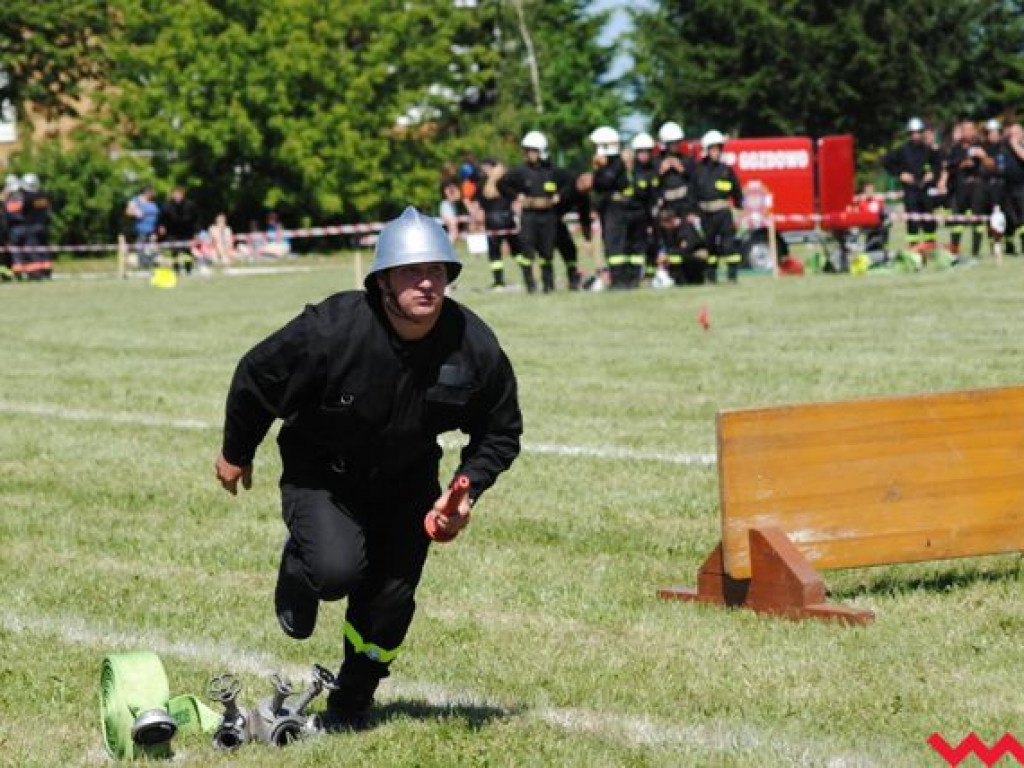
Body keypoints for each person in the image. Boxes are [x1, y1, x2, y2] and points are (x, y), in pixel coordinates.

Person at [214, 207, 522, 730]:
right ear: (381, 280)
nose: (427, 283)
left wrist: (466, 490)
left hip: (408, 481)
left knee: (391, 600)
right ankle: (300, 565)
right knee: (337, 572)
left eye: (438, 272)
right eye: (411, 272)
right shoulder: (331, 329)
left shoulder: (473, 342)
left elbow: (500, 431)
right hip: (322, 473)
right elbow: (257, 376)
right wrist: (236, 451)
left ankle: (353, 698)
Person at [497, 131, 572, 293]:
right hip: (529, 215)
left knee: (547, 251)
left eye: (532, 150)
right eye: (527, 150)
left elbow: (570, 183)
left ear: (541, 151)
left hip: (548, 216)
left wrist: (560, 196)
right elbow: (501, 184)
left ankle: (548, 285)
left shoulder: (553, 171)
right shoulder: (520, 171)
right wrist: (516, 196)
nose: (529, 154)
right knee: (527, 251)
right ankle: (530, 285)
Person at [590, 125, 644, 289]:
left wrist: (598, 169)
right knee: (621, 245)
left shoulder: (615, 164)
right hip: (618, 208)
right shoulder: (616, 164)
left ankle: (622, 280)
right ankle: (626, 279)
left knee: (616, 245)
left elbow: (603, 183)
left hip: (617, 210)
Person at [883, 118, 942, 252]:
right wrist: (900, 174)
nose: (915, 135)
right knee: (913, 222)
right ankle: (913, 251)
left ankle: (930, 249)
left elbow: (937, 165)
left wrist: (932, 174)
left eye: (918, 132)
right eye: (912, 133)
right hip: (910, 191)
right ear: (909, 134)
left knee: (929, 222)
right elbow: (886, 162)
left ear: (922, 133)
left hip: (926, 190)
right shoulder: (902, 150)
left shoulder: (928, 150)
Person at [657, 121, 703, 284]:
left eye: (677, 142)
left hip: (685, 209)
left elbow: (696, 183)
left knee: (689, 242)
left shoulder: (688, 162)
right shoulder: (657, 163)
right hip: (667, 211)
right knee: (670, 246)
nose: (675, 146)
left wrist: (682, 169)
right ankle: (675, 277)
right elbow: (653, 188)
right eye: (671, 143)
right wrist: (660, 172)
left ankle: (691, 275)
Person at [695, 130, 744, 283]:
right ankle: (711, 277)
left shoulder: (726, 170)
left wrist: (740, 208)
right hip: (705, 213)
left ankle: (732, 277)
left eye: (718, 149)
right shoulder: (698, 170)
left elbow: (737, 191)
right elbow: (692, 192)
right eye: (713, 149)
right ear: (706, 150)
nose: (716, 152)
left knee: (729, 245)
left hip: (723, 213)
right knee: (709, 246)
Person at [944, 120, 990, 261]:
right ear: (961, 132)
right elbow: (949, 167)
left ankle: (975, 252)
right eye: (965, 129)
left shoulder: (981, 147)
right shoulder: (955, 148)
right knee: (957, 222)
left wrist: (983, 157)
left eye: (971, 129)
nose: (968, 132)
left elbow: (991, 166)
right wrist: (963, 164)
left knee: (977, 221)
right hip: (960, 189)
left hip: (977, 189)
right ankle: (954, 252)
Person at [478, 159, 522, 290]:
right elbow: (515, 197)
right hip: (507, 219)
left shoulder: (483, 183)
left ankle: (498, 282)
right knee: (517, 251)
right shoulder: (505, 181)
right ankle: (528, 275)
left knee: (495, 254)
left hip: (491, 220)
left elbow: (480, 203)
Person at [553, 171, 593, 291]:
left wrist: (588, 240)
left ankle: (573, 280)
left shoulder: (584, 197)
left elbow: (585, 218)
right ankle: (546, 281)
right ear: (580, 180)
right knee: (545, 252)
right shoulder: (565, 179)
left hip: (557, 221)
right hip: (544, 218)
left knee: (570, 250)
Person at [630, 133, 661, 281]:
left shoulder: (655, 169)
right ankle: (634, 274)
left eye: (647, 151)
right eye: (641, 151)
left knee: (653, 243)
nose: (644, 155)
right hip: (636, 213)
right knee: (636, 244)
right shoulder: (632, 171)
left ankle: (650, 273)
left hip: (653, 213)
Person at [19, 173, 53, 280]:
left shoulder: (27, 197)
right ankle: (47, 272)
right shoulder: (44, 195)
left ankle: (36, 274)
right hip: (43, 226)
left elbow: (22, 210)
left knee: (32, 250)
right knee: (44, 249)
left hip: (31, 227)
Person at [160, 185, 200, 274]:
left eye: (179, 194)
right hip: (172, 233)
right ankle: (176, 270)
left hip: (187, 232)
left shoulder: (190, 205)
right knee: (174, 251)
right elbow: (162, 219)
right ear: (173, 195)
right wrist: (161, 227)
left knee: (187, 251)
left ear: (183, 194)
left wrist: (196, 233)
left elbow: (196, 220)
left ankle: (188, 269)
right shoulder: (167, 205)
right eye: (176, 194)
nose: (178, 196)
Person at [126, 186, 161, 268]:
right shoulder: (136, 200)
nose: (153, 195)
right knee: (141, 249)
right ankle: (143, 265)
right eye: (152, 193)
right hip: (141, 230)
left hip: (153, 230)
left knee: (153, 249)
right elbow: (128, 211)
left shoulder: (152, 202)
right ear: (146, 193)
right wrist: (136, 213)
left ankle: (152, 264)